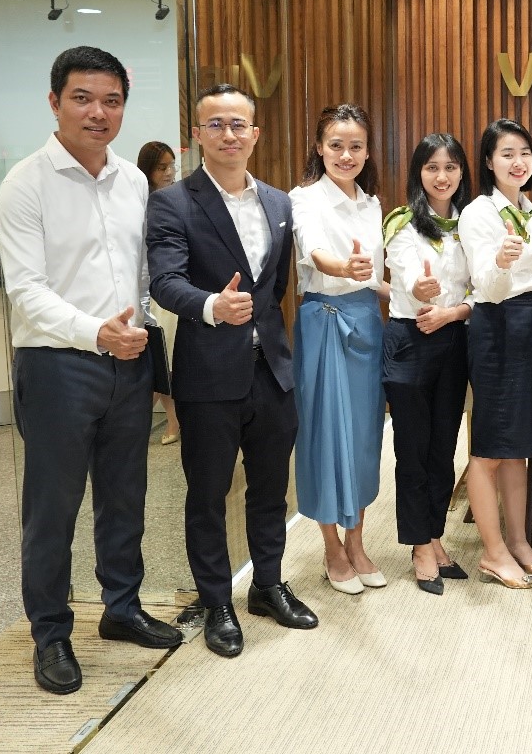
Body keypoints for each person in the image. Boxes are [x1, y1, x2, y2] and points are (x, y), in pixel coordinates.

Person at [0, 46, 182, 695]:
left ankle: (121, 607)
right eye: (82, 98)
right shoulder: (26, 183)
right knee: (53, 507)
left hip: (128, 361)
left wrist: (144, 328)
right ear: (55, 102)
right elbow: (26, 290)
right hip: (57, 366)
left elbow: (141, 273)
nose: (97, 112)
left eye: (111, 100)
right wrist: (93, 331)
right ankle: (50, 632)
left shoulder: (132, 181)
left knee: (125, 494)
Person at [147, 83, 318, 658]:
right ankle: (216, 599)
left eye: (238, 124)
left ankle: (267, 584)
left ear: (255, 134)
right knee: (208, 494)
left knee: (270, 489)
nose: (229, 134)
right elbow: (164, 281)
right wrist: (211, 306)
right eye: (216, 124)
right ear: (198, 134)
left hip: (272, 369)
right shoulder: (173, 202)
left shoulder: (279, 203)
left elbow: (275, 287)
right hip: (207, 373)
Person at [290, 105, 387, 595]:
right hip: (324, 321)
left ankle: (357, 540)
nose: (346, 155)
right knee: (325, 435)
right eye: (336, 145)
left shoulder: (372, 204)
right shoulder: (304, 198)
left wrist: (414, 294)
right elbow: (315, 253)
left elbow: (375, 278)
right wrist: (343, 268)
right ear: (319, 147)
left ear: (367, 152)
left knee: (366, 436)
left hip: (368, 321)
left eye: (355, 146)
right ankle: (331, 546)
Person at [458, 119, 532, 589]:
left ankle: (518, 542)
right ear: (489, 162)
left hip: (529, 323)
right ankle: (493, 552)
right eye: (507, 154)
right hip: (496, 325)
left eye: (524, 153)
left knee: (520, 447)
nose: (518, 162)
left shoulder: (529, 209)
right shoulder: (479, 212)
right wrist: (500, 261)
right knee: (491, 446)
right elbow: (487, 288)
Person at [383, 133, 474, 595]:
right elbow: (404, 273)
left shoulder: (472, 221)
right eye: (432, 167)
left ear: (462, 172)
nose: (442, 177)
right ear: (418, 172)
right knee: (413, 448)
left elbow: (482, 286)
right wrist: (420, 290)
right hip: (410, 339)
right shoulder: (402, 222)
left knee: (444, 447)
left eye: (450, 167)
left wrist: (452, 312)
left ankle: (435, 534)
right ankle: (419, 544)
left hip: (455, 337)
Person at [137, 141, 182, 445]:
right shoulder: (139, 202)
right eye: (161, 167)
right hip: (149, 291)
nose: (168, 172)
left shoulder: (177, 199)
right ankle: (167, 421)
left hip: (172, 288)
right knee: (160, 361)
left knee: (168, 360)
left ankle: (172, 421)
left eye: (171, 166)